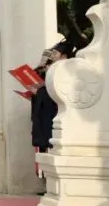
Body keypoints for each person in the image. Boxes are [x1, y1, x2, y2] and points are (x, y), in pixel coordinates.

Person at [31, 40, 77, 189]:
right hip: (42, 114)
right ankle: (45, 183)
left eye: (55, 53)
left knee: (52, 147)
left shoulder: (67, 70)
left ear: (64, 56)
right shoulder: (48, 68)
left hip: (53, 114)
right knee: (44, 147)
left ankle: (53, 185)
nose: (52, 56)